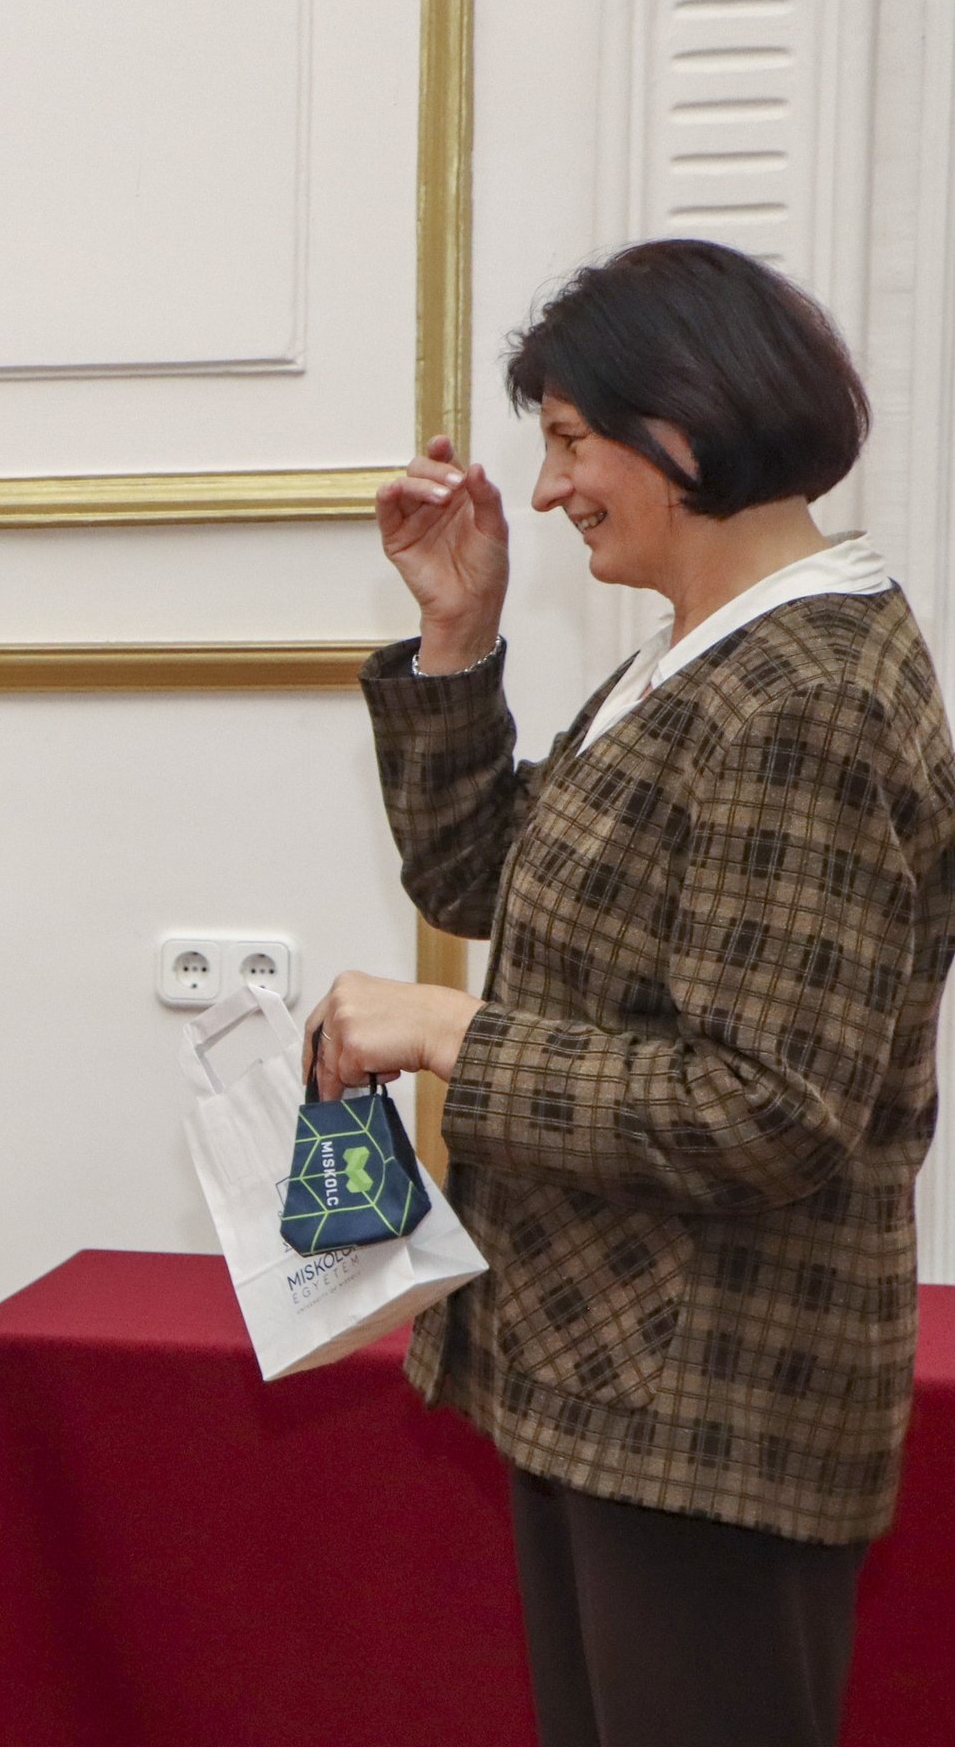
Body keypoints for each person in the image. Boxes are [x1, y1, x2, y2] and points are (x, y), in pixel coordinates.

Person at [302, 239, 955, 1747]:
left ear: (685, 425)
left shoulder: (803, 696)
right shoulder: (708, 658)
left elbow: (768, 1109)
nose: (546, 492)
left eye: (571, 442)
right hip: (623, 1388)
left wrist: (452, 1031)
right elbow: (486, 880)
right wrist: (459, 638)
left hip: (711, 1411)